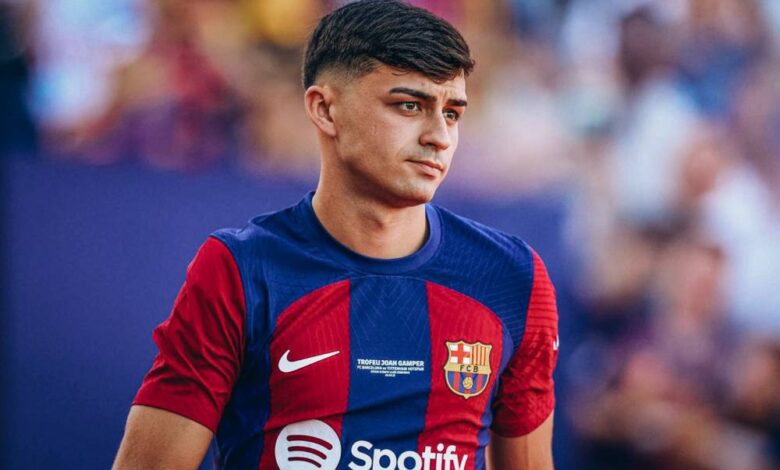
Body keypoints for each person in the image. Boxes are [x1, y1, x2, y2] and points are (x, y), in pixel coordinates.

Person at [112, 1, 559, 469]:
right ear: (325, 109)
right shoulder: (241, 269)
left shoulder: (512, 278)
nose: (439, 137)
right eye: (409, 106)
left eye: (451, 113)